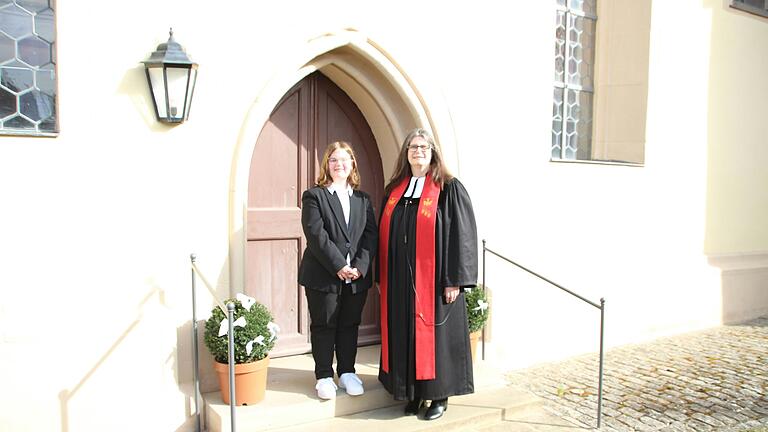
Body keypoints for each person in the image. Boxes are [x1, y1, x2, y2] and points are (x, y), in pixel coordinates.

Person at [377, 128, 478, 420]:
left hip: (435, 282)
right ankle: (413, 393)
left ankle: (438, 396)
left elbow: (463, 237)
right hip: (400, 282)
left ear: (433, 152)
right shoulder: (395, 190)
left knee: (435, 338)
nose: (417, 151)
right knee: (405, 335)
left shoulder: (448, 187)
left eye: (423, 147)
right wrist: (381, 277)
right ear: (405, 153)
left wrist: (455, 279)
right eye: (412, 147)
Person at [298, 141, 378, 400]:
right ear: (327, 165)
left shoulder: (363, 200)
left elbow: (370, 237)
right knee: (324, 325)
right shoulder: (314, 196)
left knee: (349, 325)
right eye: (333, 159)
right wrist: (339, 266)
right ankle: (323, 376)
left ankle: (346, 372)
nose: (339, 164)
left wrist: (360, 268)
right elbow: (316, 234)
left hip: (356, 278)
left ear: (352, 164)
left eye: (344, 159)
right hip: (323, 275)